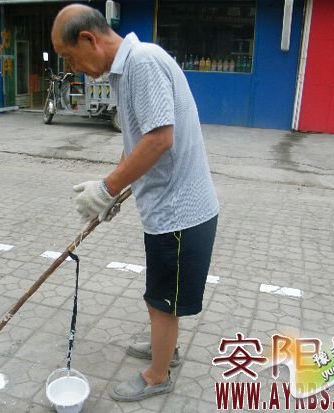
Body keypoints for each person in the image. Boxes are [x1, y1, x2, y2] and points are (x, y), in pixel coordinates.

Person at [51, 4, 219, 402]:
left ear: (89, 39)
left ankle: (158, 375)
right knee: (160, 294)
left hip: (180, 214)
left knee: (162, 301)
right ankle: (166, 348)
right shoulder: (127, 70)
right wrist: (115, 191)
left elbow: (160, 139)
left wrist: (106, 188)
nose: (73, 68)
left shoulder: (142, 63)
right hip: (168, 210)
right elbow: (139, 143)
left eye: (70, 57)